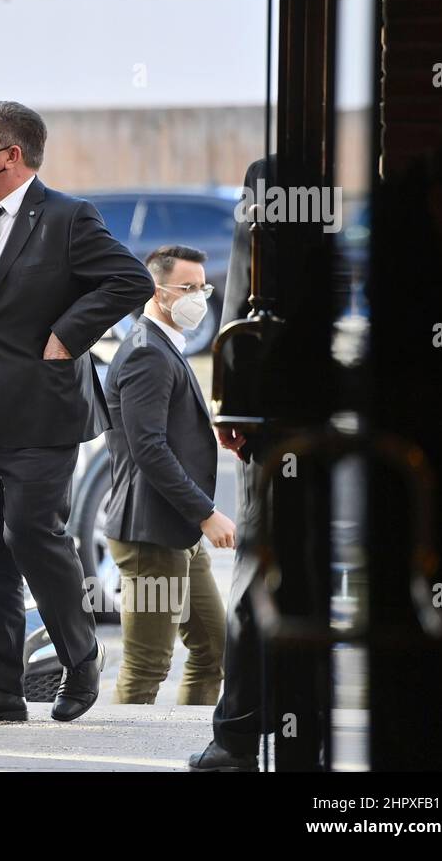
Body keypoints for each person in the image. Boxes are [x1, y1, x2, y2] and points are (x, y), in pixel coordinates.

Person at [0, 101, 154, 723]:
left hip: (42, 412)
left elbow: (131, 281)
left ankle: (80, 659)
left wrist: (68, 334)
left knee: (29, 531)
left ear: (12, 155)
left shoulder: (69, 217)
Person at [103, 245, 233, 707]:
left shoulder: (163, 346)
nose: (198, 297)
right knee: (147, 666)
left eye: (203, 287)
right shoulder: (147, 354)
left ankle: (190, 742)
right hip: (150, 536)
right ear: (157, 292)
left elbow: (167, 430)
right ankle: (120, 760)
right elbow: (149, 449)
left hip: (175, 531)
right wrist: (207, 514)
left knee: (214, 650)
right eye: (188, 288)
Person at [188, 156, 274, 771]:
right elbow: (243, 293)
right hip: (296, 415)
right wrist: (235, 407)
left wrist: (234, 407)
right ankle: (251, 731)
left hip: (287, 412)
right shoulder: (277, 179)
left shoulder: (278, 176)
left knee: (263, 569)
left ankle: (243, 735)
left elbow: (244, 296)